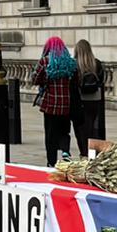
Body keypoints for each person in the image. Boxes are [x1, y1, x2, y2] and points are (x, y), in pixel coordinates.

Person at [31, 36, 82, 165]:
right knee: (64, 130)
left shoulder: (45, 61)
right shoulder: (71, 63)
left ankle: (51, 161)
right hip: (66, 104)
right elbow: (76, 82)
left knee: (50, 134)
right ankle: (65, 151)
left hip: (50, 105)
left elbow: (35, 79)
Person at [73, 38, 106, 148]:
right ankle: (91, 151)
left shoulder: (75, 65)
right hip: (95, 100)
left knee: (80, 129)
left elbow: (73, 84)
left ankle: (84, 151)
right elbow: (101, 81)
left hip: (80, 101)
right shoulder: (96, 63)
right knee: (91, 127)